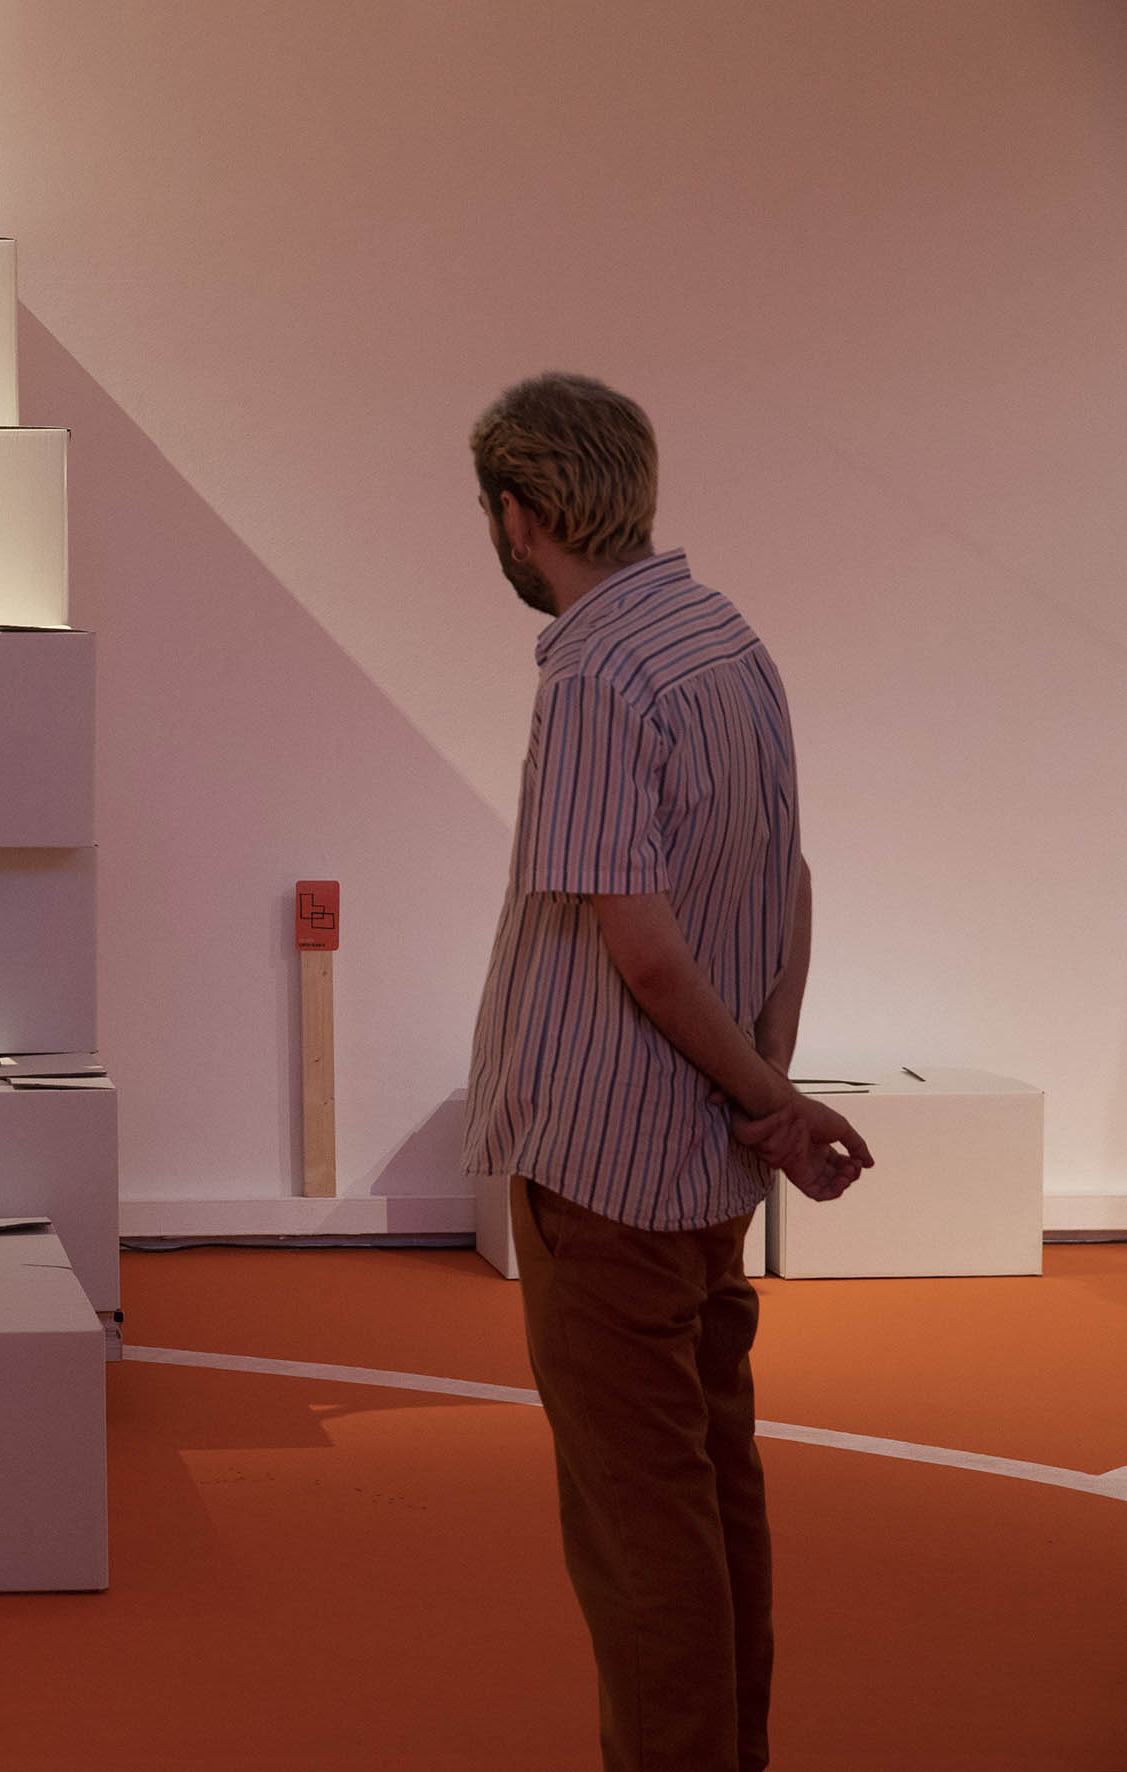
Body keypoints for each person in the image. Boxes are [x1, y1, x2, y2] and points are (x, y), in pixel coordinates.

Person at [460, 373, 872, 1772]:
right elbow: (785, 880)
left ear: (517, 514)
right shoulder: (723, 637)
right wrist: (767, 1082)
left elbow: (637, 951)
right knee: (709, 1493)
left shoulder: (594, 675)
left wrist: (767, 1100)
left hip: (605, 1165)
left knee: (639, 1533)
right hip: (697, 1165)